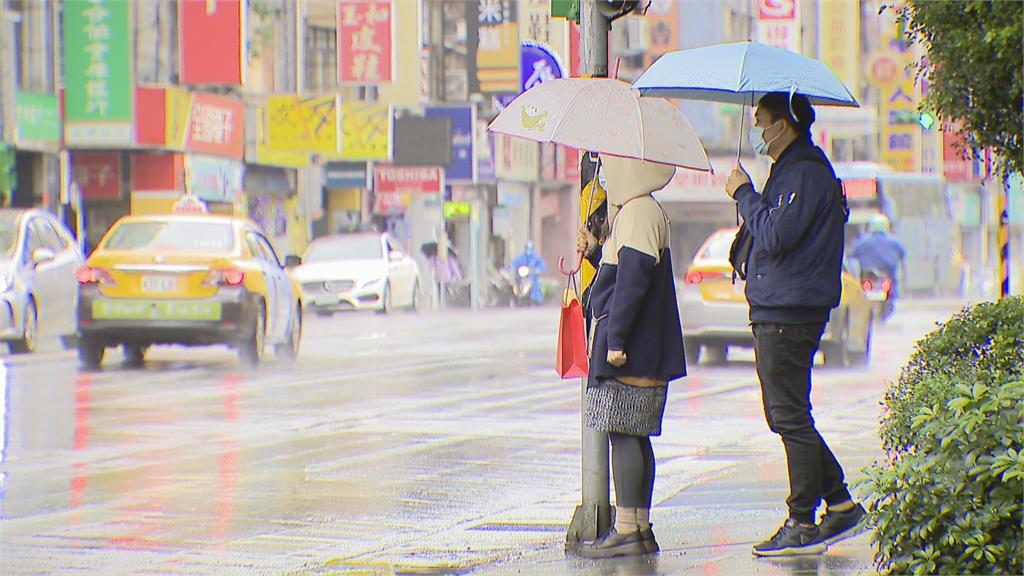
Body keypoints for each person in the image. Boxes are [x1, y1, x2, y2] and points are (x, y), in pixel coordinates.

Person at [724, 92, 866, 557]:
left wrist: (745, 193)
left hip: (789, 311)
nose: (756, 129)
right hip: (781, 306)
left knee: (789, 416)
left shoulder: (803, 172)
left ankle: (802, 521)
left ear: (783, 125)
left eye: (761, 121)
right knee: (785, 414)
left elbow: (776, 236)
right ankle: (840, 504)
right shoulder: (792, 171)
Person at [575, 155, 686, 558]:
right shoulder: (639, 212)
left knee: (622, 432)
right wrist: (593, 251)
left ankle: (625, 530)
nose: (605, 174)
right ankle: (638, 526)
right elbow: (619, 271)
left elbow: (632, 282)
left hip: (631, 349)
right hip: (646, 347)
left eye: (610, 166)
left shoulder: (638, 212)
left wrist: (615, 340)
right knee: (635, 435)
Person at [851, 213, 906, 298]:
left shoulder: (861, 243)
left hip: (867, 278)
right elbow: (902, 255)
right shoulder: (895, 243)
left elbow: (853, 255)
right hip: (888, 278)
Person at [511, 240, 546, 305]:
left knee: (535, 285)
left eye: (530, 248)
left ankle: (536, 299)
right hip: (522, 275)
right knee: (515, 282)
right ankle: (516, 296)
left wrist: (538, 269)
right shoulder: (522, 257)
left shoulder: (536, 257)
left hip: (532, 275)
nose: (528, 250)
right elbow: (516, 262)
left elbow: (541, 264)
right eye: (527, 248)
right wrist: (512, 266)